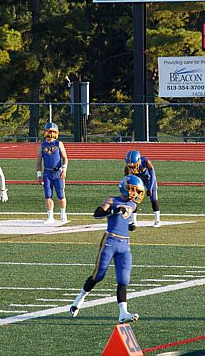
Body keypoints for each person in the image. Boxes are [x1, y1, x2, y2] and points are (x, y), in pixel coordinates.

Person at [70, 175, 145, 323]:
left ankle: (123, 313)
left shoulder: (133, 204)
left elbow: (128, 218)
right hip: (110, 241)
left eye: (136, 191)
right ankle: (79, 299)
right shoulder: (112, 200)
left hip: (124, 244)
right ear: (124, 187)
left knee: (124, 279)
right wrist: (112, 211)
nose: (134, 193)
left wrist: (131, 225)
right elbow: (97, 214)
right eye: (132, 190)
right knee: (98, 275)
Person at [36, 122, 68, 224]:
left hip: (58, 172)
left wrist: (64, 170)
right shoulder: (42, 145)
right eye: (49, 131)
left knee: (60, 194)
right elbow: (38, 161)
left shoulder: (59, 143)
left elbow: (65, 158)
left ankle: (63, 213)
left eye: (53, 132)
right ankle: (50, 216)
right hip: (47, 173)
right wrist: (39, 175)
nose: (50, 134)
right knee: (48, 195)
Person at [124, 149, 161, 227]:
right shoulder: (127, 168)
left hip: (148, 179)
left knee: (153, 198)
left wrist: (150, 188)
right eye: (130, 166)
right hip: (137, 180)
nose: (132, 168)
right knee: (134, 198)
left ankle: (157, 220)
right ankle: (133, 221)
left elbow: (152, 174)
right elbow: (127, 178)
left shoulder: (146, 161)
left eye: (134, 165)